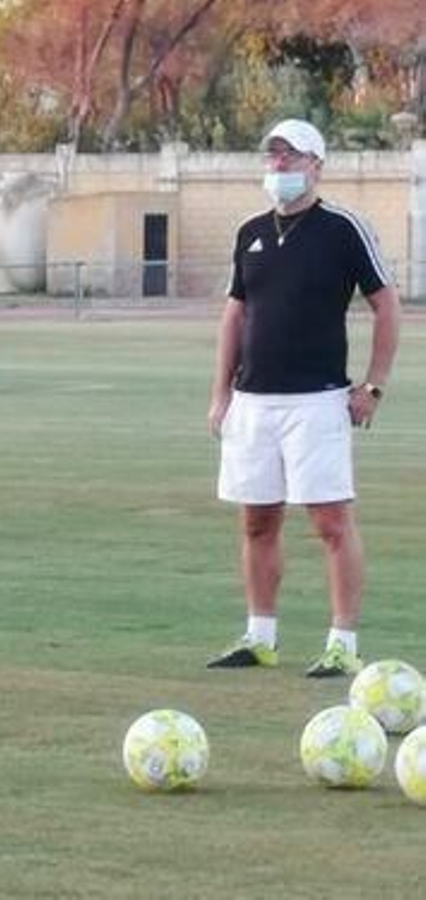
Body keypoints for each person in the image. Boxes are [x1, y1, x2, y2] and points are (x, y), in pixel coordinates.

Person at [206, 118, 400, 678]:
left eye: (292, 157)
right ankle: (259, 635)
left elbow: (386, 304)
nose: (280, 166)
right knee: (256, 521)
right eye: (273, 156)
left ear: (317, 164)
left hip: (316, 401)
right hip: (253, 403)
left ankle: (343, 642)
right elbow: (235, 313)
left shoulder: (343, 229)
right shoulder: (250, 232)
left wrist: (373, 384)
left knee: (331, 522)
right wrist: (221, 393)